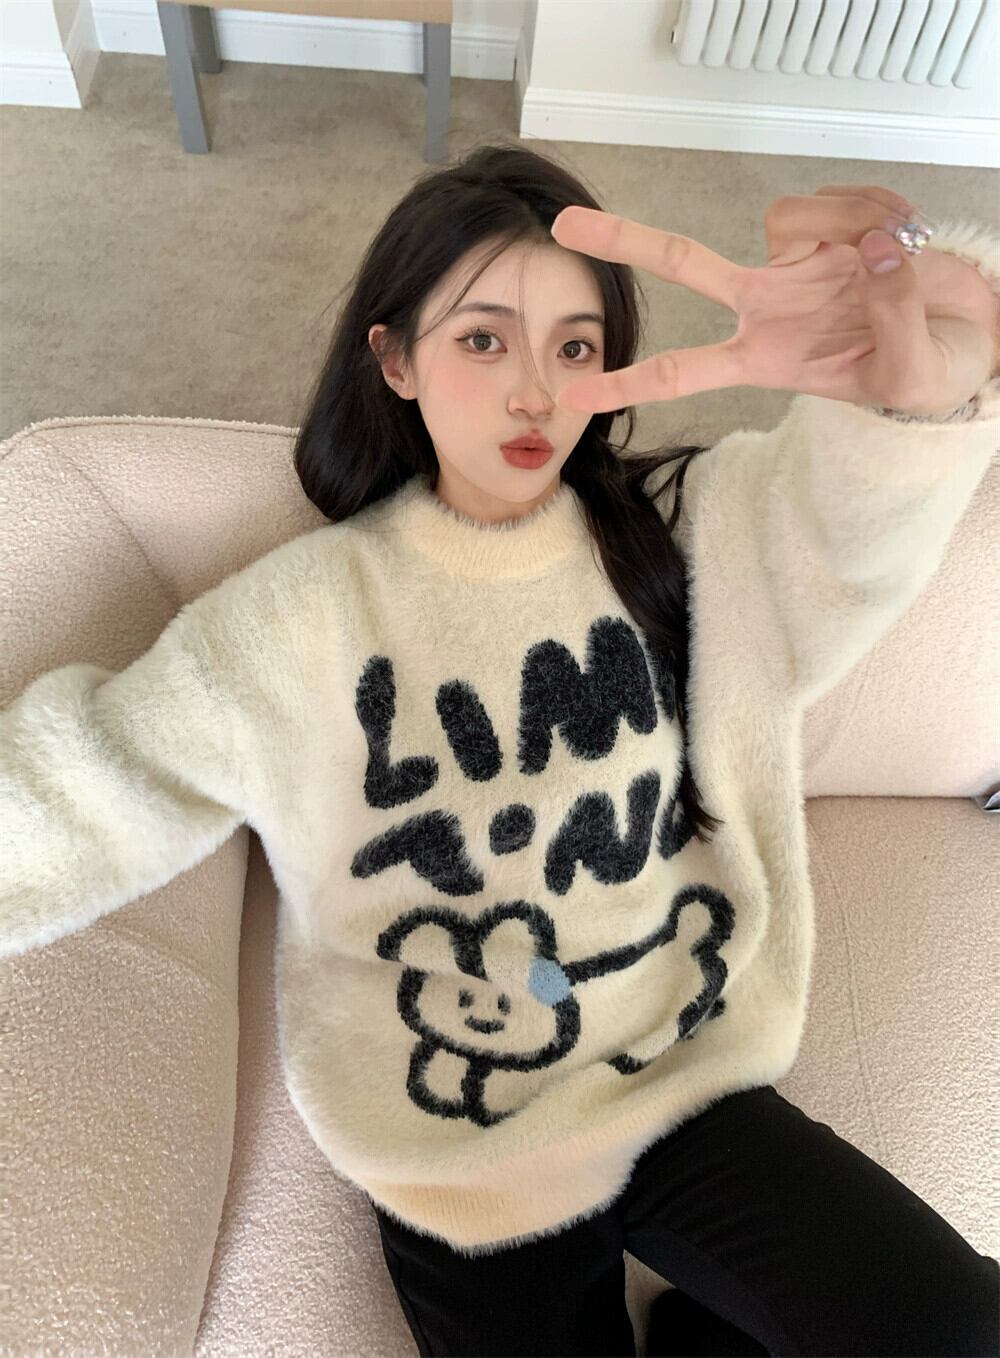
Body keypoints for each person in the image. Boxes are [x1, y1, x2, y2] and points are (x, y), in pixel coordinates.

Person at [3, 141, 998, 1357]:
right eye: (484, 339)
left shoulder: (689, 532)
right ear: (395, 359)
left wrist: (921, 393)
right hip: (458, 1134)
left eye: (574, 347)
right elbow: (88, 786)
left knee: (957, 1326)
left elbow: (845, 527)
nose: (535, 392)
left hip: (677, 1070)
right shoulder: (301, 616)